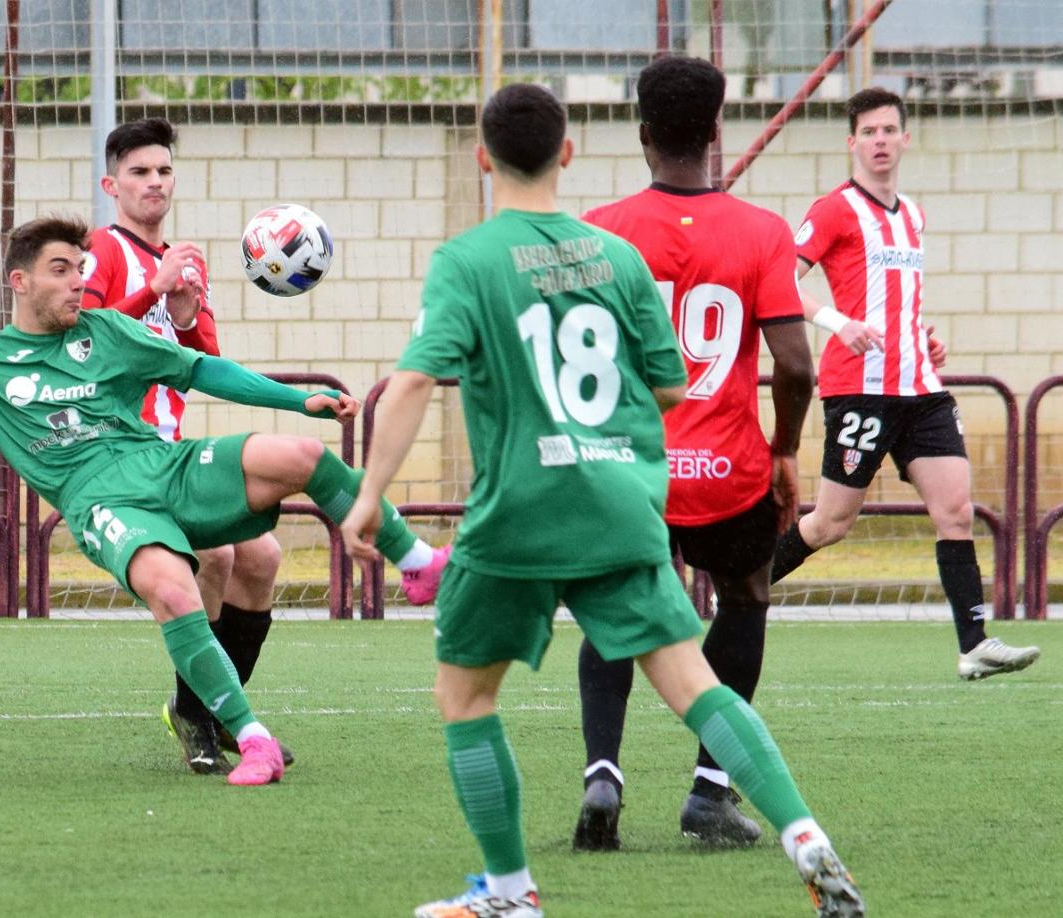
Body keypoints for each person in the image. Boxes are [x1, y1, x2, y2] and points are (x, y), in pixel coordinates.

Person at [341, 83, 864, 918]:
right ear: (569, 153)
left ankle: (511, 893)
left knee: (466, 697)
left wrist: (370, 495)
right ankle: (806, 838)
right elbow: (665, 383)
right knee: (697, 683)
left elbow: (410, 384)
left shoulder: (468, 260)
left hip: (517, 512)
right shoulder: (613, 257)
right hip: (619, 503)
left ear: (484, 159)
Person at [0, 216, 448, 787]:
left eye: (80, 269)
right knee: (173, 588)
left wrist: (299, 401)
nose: (78, 281)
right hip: (103, 503)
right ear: (20, 281)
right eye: (60, 270)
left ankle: (419, 564)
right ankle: (252, 737)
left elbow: (199, 369)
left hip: (164, 465)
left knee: (302, 456)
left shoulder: (107, 331)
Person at [572, 56, 815, 851]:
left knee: (614, 612)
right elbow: (796, 364)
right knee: (744, 597)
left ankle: (602, 774)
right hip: (730, 473)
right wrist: (783, 453)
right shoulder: (764, 232)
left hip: (629, 469)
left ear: (641, 134)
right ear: (715, 133)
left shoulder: (600, 229)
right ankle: (711, 792)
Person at [772, 87, 1040, 681]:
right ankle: (739, 592)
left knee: (955, 510)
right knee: (830, 525)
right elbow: (779, 280)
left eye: (889, 130)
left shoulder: (914, 214)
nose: (880, 141)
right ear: (852, 143)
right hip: (860, 390)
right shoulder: (835, 209)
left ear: (906, 138)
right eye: (869, 132)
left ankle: (974, 644)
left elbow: (895, 300)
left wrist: (924, 338)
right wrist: (837, 324)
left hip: (920, 388)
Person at [82, 117, 288, 775]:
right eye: (140, 172)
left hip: (167, 449)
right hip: (117, 455)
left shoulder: (181, 262)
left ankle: (210, 713)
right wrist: (154, 287)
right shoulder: (105, 250)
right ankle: (205, 715)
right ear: (111, 184)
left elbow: (210, 362)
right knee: (217, 555)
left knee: (262, 555)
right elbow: (76, 338)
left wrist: (186, 314)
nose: (154, 183)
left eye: (164, 170)